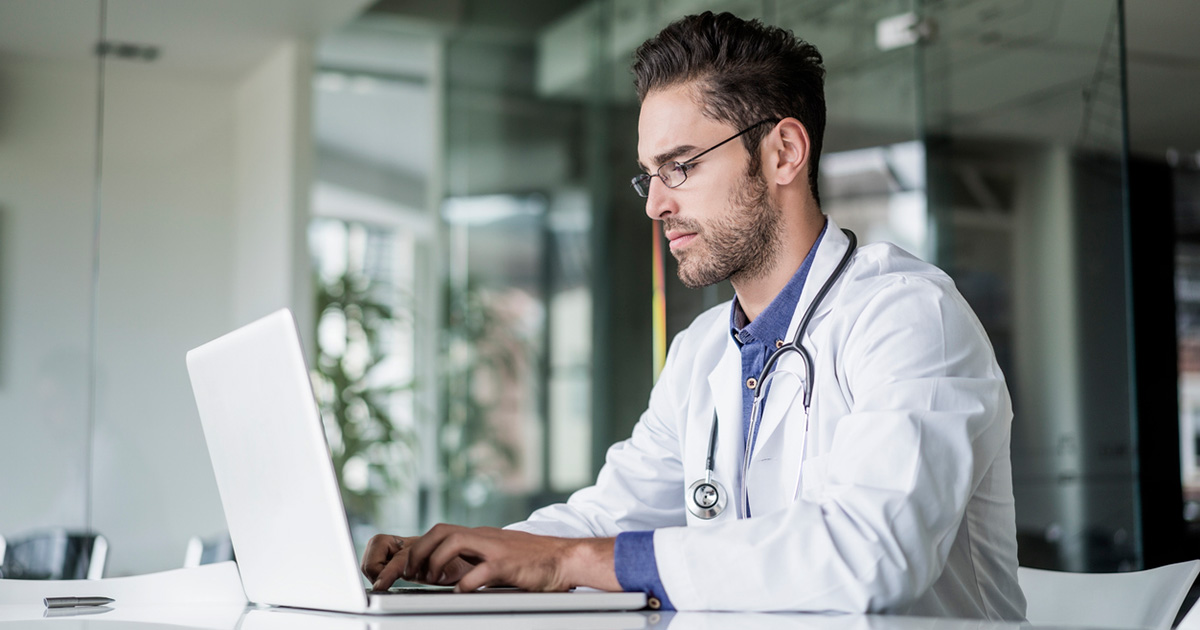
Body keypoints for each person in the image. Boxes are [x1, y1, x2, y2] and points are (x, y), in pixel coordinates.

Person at [361, 11, 1026, 619]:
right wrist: (469, 555)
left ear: (783, 153)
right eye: (648, 175)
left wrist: (572, 562)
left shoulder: (908, 317)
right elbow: (612, 514)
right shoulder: (704, 348)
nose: (654, 206)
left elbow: (875, 552)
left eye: (679, 167)